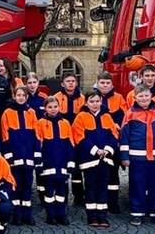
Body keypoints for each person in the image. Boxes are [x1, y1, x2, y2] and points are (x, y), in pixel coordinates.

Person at [120, 84, 155, 227]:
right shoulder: (130, 114)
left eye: (146, 96)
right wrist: (124, 156)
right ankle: (137, 214)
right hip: (137, 158)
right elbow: (124, 137)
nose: (144, 99)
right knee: (137, 186)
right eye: (140, 96)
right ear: (135, 97)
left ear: (151, 97)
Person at [73, 91, 120, 225]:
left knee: (102, 187)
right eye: (91, 101)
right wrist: (95, 150)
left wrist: (107, 150)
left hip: (105, 159)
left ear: (101, 101)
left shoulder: (107, 116)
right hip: (89, 160)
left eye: (97, 101)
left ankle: (102, 216)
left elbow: (114, 135)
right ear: (86, 102)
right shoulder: (81, 117)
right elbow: (79, 137)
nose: (94, 104)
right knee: (90, 187)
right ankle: (92, 216)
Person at [0, 85, 39, 225]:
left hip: (28, 157)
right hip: (15, 158)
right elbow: (5, 136)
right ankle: (16, 214)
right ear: (14, 97)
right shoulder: (7, 113)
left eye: (23, 95)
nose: (21, 97)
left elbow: (36, 135)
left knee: (28, 186)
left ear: (27, 97)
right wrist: (9, 156)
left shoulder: (31, 113)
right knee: (16, 187)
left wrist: (37, 154)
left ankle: (27, 215)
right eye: (18, 95)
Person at [34, 96, 74, 225]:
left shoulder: (65, 123)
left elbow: (70, 143)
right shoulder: (40, 123)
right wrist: (39, 162)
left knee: (62, 192)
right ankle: (50, 215)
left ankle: (61, 215)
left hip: (62, 163)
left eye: (55, 107)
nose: (53, 109)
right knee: (49, 192)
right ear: (45, 108)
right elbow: (37, 144)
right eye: (50, 107)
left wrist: (71, 161)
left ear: (59, 107)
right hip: (48, 163)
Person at [53, 72, 85, 205]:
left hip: (78, 139)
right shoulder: (56, 98)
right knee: (62, 169)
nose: (70, 83)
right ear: (62, 84)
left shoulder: (82, 99)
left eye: (73, 81)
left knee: (77, 170)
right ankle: (63, 196)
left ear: (76, 83)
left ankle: (78, 197)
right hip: (62, 139)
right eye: (68, 81)